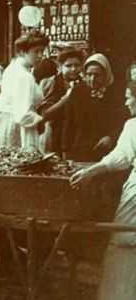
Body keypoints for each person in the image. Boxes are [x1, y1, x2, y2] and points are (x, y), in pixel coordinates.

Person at [69, 81, 136, 300]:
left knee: (123, 238)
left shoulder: (133, 126)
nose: (126, 102)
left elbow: (120, 159)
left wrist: (91, 172)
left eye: (129, 97)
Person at [0, 31, 49, 150]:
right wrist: (42, 119)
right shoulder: (24, 76)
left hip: (4, 122)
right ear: (22, 52)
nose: (40, 56)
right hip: (18, 127)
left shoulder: (12, 68)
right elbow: (23, 115)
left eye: (42, 51)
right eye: (36, 51)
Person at [62, 53, 124, 162]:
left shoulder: (116, 95)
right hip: (80, 149)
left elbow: (122, 122)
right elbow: (68, 122)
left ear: (106, 75)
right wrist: (65, 151)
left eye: (97, 75)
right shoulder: (77, 92)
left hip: (106, 150)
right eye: (89, 74)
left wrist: (111, 137)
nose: (92, 79)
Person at [37, 48, 84, 155]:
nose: (73, 69)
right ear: (60, 67)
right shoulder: (50, 83)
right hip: (53, 134)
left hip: (74, 137)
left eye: (77, 65)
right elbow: (44, 114)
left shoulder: (83, 83)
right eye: (68, 66)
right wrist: (67, 98)